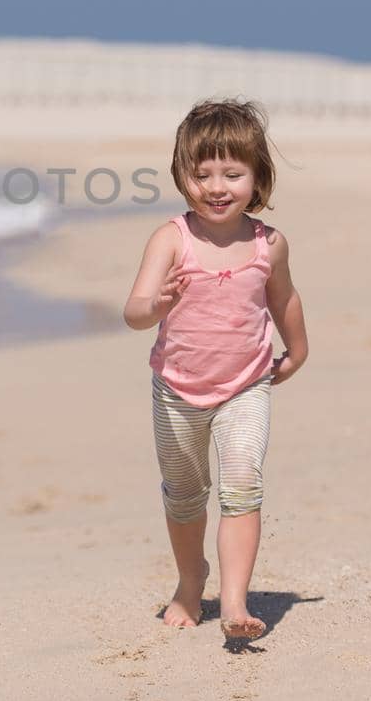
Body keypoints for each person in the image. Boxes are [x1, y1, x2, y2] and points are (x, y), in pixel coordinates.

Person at [122, 99, 309, 640]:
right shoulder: (170, 239)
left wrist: (296, 350)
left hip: (245, 387)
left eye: (232, 172)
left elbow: (285, 300)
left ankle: (233, 601)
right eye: (201, 174)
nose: (216, 186)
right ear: (182, 176)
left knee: (242, 485)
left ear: (258, 177)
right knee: (184, 493)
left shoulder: (268, 245)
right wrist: (155, 304)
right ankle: (189, 579)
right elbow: (133, 312)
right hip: (177, 392)